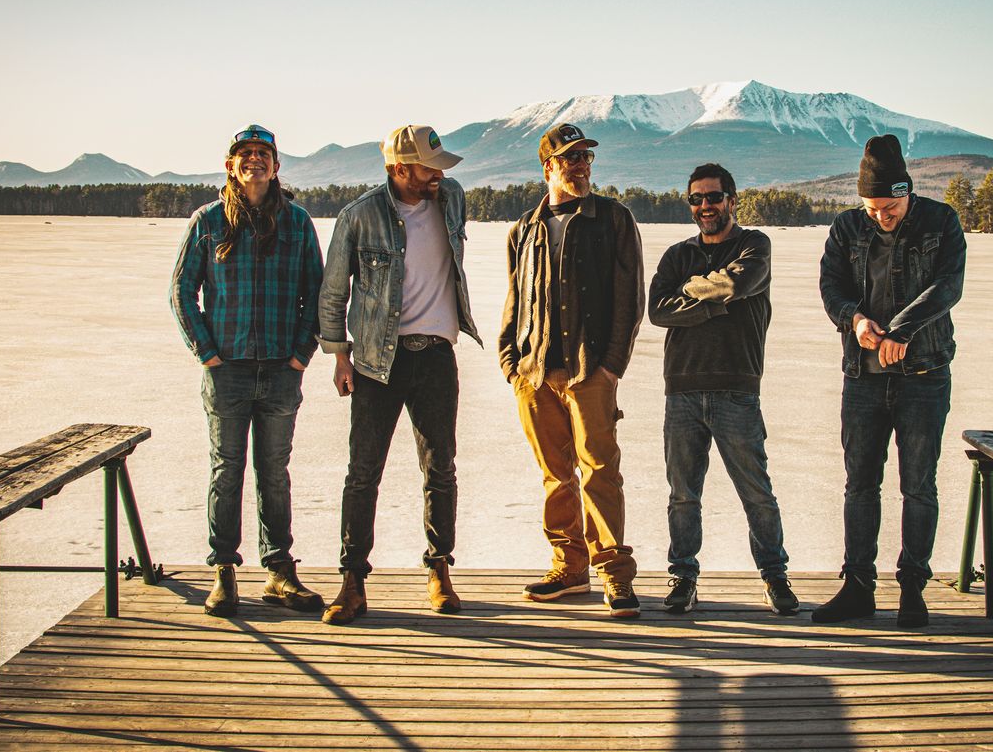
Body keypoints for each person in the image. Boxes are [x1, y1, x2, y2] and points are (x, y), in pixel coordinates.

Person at [317, 124, 480, 625]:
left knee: (440, 469)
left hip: (435, 357)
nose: (438, 175)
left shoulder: (450, 198)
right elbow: (332, 294)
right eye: (428, 167)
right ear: (398, 168)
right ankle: (352, 580)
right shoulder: (359, 216)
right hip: (375, 362)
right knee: (363, 473)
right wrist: (340, 356)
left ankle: (438, 569)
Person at [170, 123, 325, 618]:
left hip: (281, 369)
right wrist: (207, 354)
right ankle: (224, 571)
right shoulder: (208, 220)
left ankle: (279, 571)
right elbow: (182, 293)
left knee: (274, 473)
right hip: (227, 371)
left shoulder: (297, 222)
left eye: (264, 153)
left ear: (276, 165)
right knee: (227, 470)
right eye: (245, 153)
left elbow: (316, 295)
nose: (254, 159)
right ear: (230, 164)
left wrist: (301, 355)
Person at [815, 134, 966, 627]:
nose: (882, 216)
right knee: (860, 485)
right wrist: (855, 320)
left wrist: (901, 331)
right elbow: (831, 285)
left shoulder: (940, 222)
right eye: (873, 207)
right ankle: (858, 587)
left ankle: (913, 591)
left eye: (891, 206)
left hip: (923, 376)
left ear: (908, 190)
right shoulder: (845, 228)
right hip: (863, 379)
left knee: (918, 485)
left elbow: (948, 286)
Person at [498, 122, 645, 618]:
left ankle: (614, 575)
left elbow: (630, 298)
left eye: (585, 158)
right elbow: (515, 299)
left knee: (601, 473)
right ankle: (568, 567)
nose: (580, 166)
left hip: (589, 372)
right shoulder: (526, 228)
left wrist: (611, 367)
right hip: (535, 373)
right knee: (555, 477)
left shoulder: (613, 219)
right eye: (570, 159)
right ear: (548, 168)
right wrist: (510, 362)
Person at [648, 163, 798, 615]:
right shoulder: (677, 254)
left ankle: (775, 576)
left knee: (757, 492)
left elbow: (739, 281)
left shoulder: (755, 244)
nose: (705, 206)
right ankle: (683, 576)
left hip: (737, 389)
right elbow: (657, 309)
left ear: (732, 200)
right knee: (682, 494)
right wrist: (715, 306)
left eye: (713, 197)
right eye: (696, 199)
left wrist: (693, 295)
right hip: (683, 391)